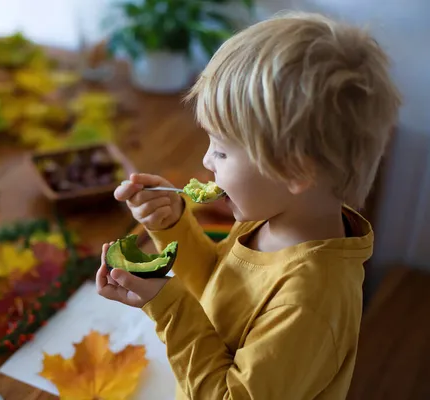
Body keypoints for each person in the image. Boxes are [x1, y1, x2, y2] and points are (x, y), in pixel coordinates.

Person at [95, 11, 401, 400]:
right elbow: (219, 288)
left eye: (221, 151)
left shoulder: (308, 304)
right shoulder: (274, 220)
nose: (207, 161)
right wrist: (174, 226)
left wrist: (167, 307)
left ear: (295, 171)